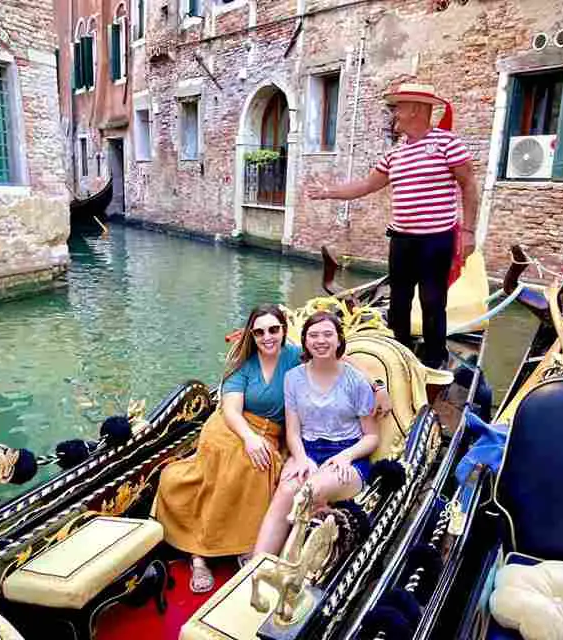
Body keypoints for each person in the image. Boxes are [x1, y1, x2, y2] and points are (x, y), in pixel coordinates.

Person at [307, 82, 479, 369]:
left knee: (432, 302)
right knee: (398, 302)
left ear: (415, 109)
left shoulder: (448, 143)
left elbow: (469, 186)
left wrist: (469, 231)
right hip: (401, 240)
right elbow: (367, 184)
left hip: (436, 240)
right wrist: (328, 192)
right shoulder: (395, 154)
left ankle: (435, 360)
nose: (394, 114)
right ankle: (399, 356)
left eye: (397, 107)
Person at [154, 304, 300, 593]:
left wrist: (375, 387)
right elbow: (231, 410)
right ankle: (200, 556)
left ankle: (243, 546)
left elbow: (335, 360)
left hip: (269, 433)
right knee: (241, 460)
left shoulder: (295, 356)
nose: (267, 337)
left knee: (253, 466)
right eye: (259, 332)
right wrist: (249, 438)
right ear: (252, 336)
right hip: (230, 429)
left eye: (273, 329)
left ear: (284, 330)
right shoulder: (243, 365)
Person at [253, 311, 379, 556]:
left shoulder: (356, 382)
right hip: (307, 450)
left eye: (327, 334)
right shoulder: (293, 378)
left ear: (339, 340)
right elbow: (292, 431)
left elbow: (372, 437)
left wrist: (346, 457)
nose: (321, 341)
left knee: (309, 491)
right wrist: (300, 458)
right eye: (314, 335)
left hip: (346, 455)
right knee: (286, 492)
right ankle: (255, 569)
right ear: (305, 341)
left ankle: (288, 568)